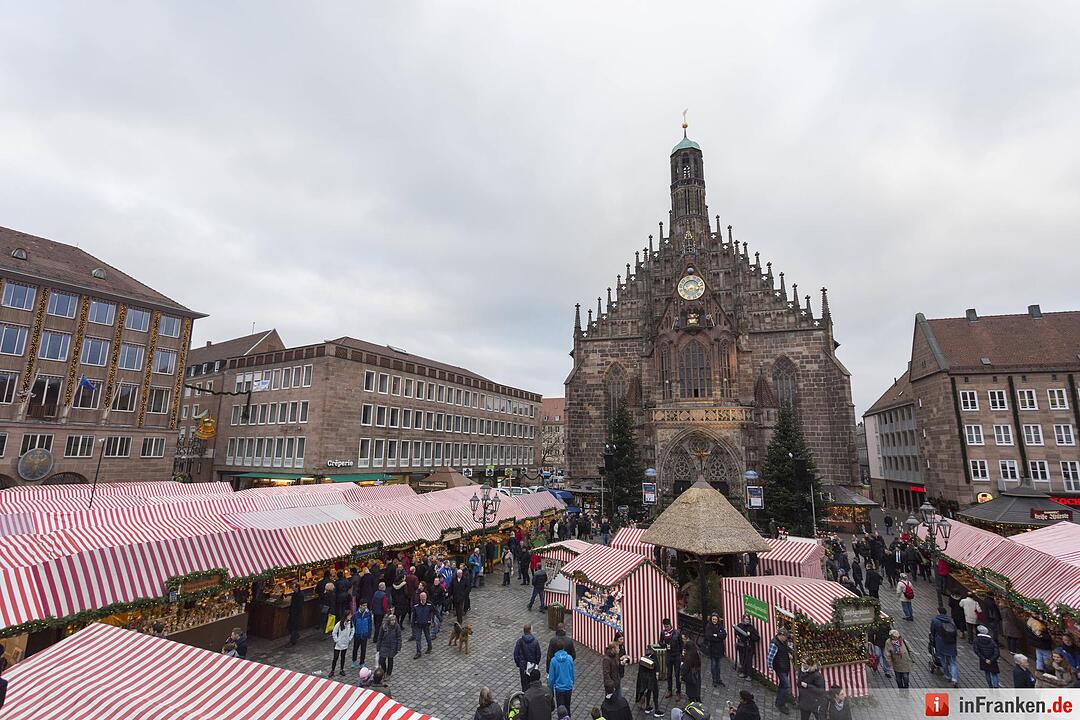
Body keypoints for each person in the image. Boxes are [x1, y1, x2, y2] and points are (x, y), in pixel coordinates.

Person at [930, 605, 960, 688]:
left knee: (943, 659)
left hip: (940, 642)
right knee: (953, 662)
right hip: (951, 643)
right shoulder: (951, 620)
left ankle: (947, 674)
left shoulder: (935, 620)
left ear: (938, 612)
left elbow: (932, 631)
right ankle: (955, 679)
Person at [767, 628, 793, 715]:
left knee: (782, 685)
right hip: (779, 667)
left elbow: (785, 650)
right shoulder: (774, 644)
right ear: (781, 635)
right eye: (785, 637)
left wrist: (789, 653)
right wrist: (770, 668)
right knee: (786, 686)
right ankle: (781, 704)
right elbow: (770, 657)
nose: (786, 638)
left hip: (785, 666)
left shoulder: (783, 642)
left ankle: (779, 702)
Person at [548, 647, 575, 718]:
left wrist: (550, 689)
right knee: (567, 707)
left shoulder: (553, 660)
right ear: (563, 649)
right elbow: (572, 673)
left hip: (559, 689)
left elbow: (551, 678)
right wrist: (572, 683)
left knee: (560, 710)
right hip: (568, 687)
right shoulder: (569, 658)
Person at [514, 624, 542, 692]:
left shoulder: (519, 641)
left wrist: (519, 664)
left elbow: (516, 655)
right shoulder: (535, 642)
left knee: (524, 685)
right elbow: (538, 654)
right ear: (530, 631)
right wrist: (536, 663)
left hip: (523, 667)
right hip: (532, 666)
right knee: (533, 684)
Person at [660, 618, 683, 699]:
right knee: (669, 674)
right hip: (669, 655)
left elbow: (681, 644)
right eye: (665, 627)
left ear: (670, 625)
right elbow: (660, 642)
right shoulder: (663, 633)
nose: (666, 628)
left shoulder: (677, 632)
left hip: (676, 655)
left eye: (667, 626)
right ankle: (669, 690)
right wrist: (664, 646)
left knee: (677, 674)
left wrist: (681, 655)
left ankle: (678, 692)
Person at [635, 646, 661, 718]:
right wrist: (657, 675)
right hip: (652, 679)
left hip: (645, 680)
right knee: (655, 694)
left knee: (648, 692)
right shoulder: (654, 658)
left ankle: (647, 707)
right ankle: (657, 711)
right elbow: (657, 669)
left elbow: (640, 673)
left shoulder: (642, 659)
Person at [703, 612, 727, 687]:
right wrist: (718, 636)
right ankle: (714, 680)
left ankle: (718, 679)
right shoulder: (708, 626)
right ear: (711, 619)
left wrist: (716, 635)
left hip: (719, 649)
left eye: (716, 619)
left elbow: (724, 635)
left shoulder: (720, 626)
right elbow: (708, 636)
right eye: (713, 619)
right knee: (713, 665)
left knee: (718, 666)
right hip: (712, 649)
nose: (714, 620)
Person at [733, 614, 759, 679]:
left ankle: (749, 675)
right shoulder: (739, 625)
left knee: (748, 662)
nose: (747, 620)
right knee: (742, 661)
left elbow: (757, 638)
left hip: (749, 647)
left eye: (748, 619)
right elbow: (736, 632)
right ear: (743, 619)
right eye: (746, 619)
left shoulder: (751, 628)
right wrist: (737, 636)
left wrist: (750, 635)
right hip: (741, 647)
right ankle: (743, 673)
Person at [377, 613, 402, 677]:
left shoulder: (397, 627)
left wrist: (398, 647)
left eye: (394, 620)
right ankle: (384, 671)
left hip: (392, 646)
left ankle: (388, 673)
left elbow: (399, 637)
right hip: (384, 645)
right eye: (392, 620)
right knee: (382, 660)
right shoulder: (384, 626)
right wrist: (378, 647)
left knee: (390, 660)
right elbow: (380, 637)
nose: (393, 621)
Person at [331, 612, 354, 677]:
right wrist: (336, 640)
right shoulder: (339, 623)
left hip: (345, 643)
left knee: (343, 657)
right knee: (335, 657)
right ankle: (332, 670)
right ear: (346, 616)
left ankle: (341, 670)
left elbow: (353, 630)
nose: (350, 616)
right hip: (338, 644)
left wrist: (349, 639)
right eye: (349, 615)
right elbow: (334, 632)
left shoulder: (351, 623)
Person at [411, 591, 433, 658]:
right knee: (418, 638)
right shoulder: (416, 606)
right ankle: (418, 652)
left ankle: (429, 646)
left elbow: (434, 611)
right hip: (418, 624)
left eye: (424, 596)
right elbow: (414, 616)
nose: (423, 598)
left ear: (426, 597)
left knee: (427, 637)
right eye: (422, 596)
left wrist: (436, 619)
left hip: (426, 624)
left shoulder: (429, 605)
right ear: (420, 597)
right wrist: (412, 624)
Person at [351, 599, 373, 668]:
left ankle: (362, 662)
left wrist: (369, 633)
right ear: (360, 606)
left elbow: (370, 624)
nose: (365, 607)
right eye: (363, 605)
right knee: (355, 649)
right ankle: (353, 661)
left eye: (366, 605)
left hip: (364, 634)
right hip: (357, 635)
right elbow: (353, 625)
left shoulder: (368, 614)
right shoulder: (355, 614)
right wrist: (353, 634)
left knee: (363, 650)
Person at [681, 637, 702, 702]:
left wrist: (682, 674)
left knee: (691, 692)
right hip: (697, 673)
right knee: (697, 688)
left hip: (690, 676)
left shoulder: (688, 657)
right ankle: (698, 700)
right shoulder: (697, 653)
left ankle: (692, 704)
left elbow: (684, 669)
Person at [287, 582, 304, 646]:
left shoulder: (300, 595)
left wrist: (296, 613)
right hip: (292, 613)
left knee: (294, 627)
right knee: (290, 627)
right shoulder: (294, 594)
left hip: (296, 614)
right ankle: (296, 635)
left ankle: (292, 641)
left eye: (293, 587)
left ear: (297, 587)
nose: (292, 588)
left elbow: (299, 606)